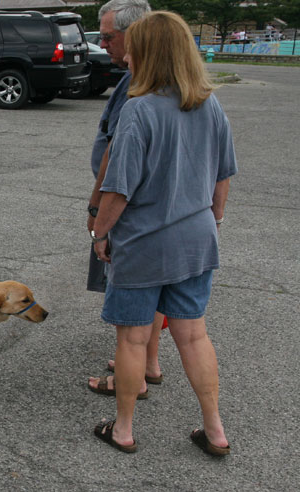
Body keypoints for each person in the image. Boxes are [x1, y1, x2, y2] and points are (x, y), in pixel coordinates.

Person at [90, 11, 236, 455]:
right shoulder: (209, 103)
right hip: (196, 242)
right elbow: (223, 176)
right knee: (194, 335)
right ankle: (214, 430)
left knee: (133, 338)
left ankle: (124, 429)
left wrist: (99, 232)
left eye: (134, 45)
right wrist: (212, 219)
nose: (126, 51)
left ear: (149, 52)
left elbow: (118, 189)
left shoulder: (139, 109)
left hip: (144, 245)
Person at [86, 0, 161, 400]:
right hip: (156, 217)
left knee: (128, 305)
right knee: (154, 297)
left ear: (136, 34)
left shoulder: (139, 86)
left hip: (128, 213)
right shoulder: (142, 77)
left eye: (109, 37)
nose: (103, 44)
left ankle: (132, 380)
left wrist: (98, 214)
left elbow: (116, 157)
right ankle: (146, 363)